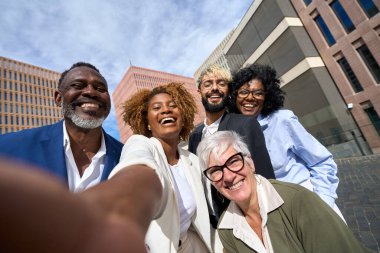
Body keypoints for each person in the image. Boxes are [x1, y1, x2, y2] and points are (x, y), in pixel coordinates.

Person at [196, 131, 372, 253]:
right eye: (215, 171)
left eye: (234, 161)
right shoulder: (226, 229)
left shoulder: (298, 200)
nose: (227, 176)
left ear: (250, 162)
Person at [110, 82, 213, 253]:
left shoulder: (192, 160)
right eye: (157, 107)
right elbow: (136, 162)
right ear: (147, 123)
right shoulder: (141, 144)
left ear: (183, 117)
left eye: (173, 106)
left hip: (191, 243)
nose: (166, 110)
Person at [230, 63, 343, 216]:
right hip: (269, 212)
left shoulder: (283, 120)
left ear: (267, 96)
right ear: (235, 95)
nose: (250, 97)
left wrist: (322, 203)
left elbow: (321, 162)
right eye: (243, 92)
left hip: (306, 203)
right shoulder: (233, 132)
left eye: (258, 93)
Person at [0, 62, 122, 192]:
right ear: (58, 98)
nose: (91, 92)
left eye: (100, 89)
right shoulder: (8, 149)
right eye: (78, 85)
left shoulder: (127, 156)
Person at [0, 157, 162, 253]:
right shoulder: (10, 146)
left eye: (103, 95)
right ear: (57, 97)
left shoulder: (125, 153)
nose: (93, 96)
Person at [188, 64, 275, 226]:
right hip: (213, 224)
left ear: (228, 91)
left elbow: (266, 180)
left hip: (248, 220)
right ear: (199, 91)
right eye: (208, 84)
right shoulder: (195, 136)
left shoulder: (246, 124)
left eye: (221, 83)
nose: (215, 88)